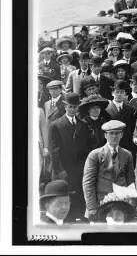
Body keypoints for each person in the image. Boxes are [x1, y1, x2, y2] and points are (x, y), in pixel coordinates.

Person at [81, 119, 135, 221]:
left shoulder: (127, 154)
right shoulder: (95, 155)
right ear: (105, 135)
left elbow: (130, 180)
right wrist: (92, 208)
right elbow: (88, 183)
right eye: (111, 133)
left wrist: (132, 203)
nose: (114, 136)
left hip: (121, 202)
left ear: (122, 135)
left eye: (117, 133)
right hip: (101, 202)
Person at [48, 92, 85, 221]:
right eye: (70, 106)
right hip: (64, 168)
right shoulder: (56, 125)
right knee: (65, 195)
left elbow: (84, 147)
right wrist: (60, 170)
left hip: (79, 168)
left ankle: (78, 217)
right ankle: (66, 218)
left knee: (78, 194)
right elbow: (54, 150)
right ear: (65, 106)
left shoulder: (82, 124)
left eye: (75, 107)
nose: (73, 109)